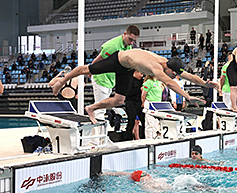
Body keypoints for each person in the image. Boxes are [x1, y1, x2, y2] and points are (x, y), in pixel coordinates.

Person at [50, 49, 219, 123]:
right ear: (168, 68)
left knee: (118, 100)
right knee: (86, 69)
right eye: (173, 73)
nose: (174, 75)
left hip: (128, 68)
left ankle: (91, 108)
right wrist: (188, 96)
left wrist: (205, 83)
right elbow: (170, 82)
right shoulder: (157, 68)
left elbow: (188, 75)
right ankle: (60, 82)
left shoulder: (169, 65)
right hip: (119, 59)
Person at [90, 25, 140, 122]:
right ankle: (97, 136)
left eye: (134, 40)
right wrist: (90, 70)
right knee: (99, 111)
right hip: (101, 78)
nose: (131, 42)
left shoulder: (128, 46)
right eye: (130, 39)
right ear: (125, 34)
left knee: (104, 109)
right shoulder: (112, 46)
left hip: (111, 80)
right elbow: (98, 60)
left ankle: (101, 136)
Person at [102, 169, 237, 193]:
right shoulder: (147, 185)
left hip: (183, 188)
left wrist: (109, 174)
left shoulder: (144, 182)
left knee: (217, 190)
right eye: (145, 174)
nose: (148, 174)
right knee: (220, 191)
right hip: (183, 190)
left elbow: (126, 174)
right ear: (142, 178)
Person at [142, 75, 165, 139]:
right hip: (149, 103)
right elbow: (143, 94)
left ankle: (155, 136)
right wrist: (143, 102)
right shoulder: (148, 82)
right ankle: (149, 138)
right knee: (150, 123)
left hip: (157, 104)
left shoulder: (158, 82)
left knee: (156, 122)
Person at [124, 71, 145, 141]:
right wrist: (139, 90)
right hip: (131, 103)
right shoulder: (129, 81)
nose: (141, 76)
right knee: (131, 121)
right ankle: (128, 137)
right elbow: (128, 93)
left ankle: (143, 136)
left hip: (140, 103)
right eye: (141, 73)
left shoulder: (142, 81)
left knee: (144, 121)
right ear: (136, 72)